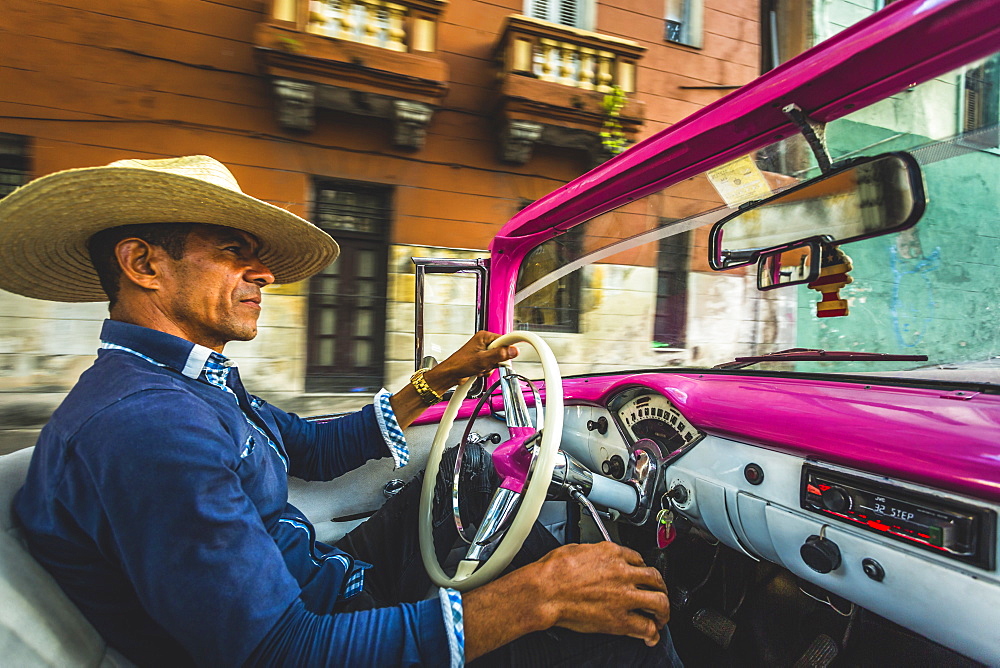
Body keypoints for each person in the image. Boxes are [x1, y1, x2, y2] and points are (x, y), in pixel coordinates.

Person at [2, 155, 678, 666]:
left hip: (321, 576)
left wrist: (443, 377)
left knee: (465, 479)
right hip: (322, 619)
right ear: (144, 263)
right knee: (601, 619)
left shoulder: (182, 382)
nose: (263, 273)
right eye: (235, 252)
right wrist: (541, 597)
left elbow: (315, 449)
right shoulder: (149, 424)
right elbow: (284, 651)